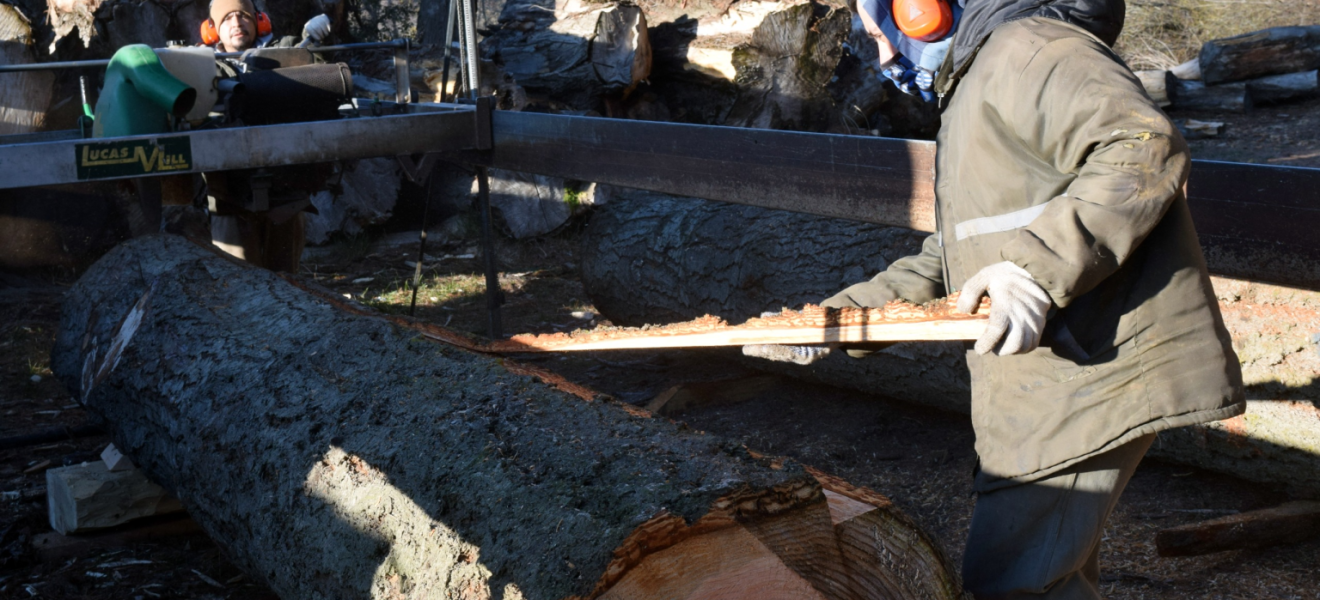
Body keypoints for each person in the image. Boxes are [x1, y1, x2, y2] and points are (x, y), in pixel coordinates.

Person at [748, 0, 1246, 597]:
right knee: (1044, 576)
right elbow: (953, 252)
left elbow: (1143, 144)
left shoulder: (1028, 47)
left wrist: (1035, 271)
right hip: (1053, 376)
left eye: (888, 22)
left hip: (1091, 371)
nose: (881, 49)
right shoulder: (985, 74)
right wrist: (839, 317)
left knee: (1015, 581)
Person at [201, 0, 333, 272]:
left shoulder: (288, 49)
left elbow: (319, 73)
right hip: (229, 194)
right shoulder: (202, 65)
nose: (237, 23)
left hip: (287, 191)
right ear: (212, 30)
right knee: (237, 284)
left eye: (243, 16)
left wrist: (316, 44)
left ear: (258, 21)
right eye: (227, 19)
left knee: (287, 284)